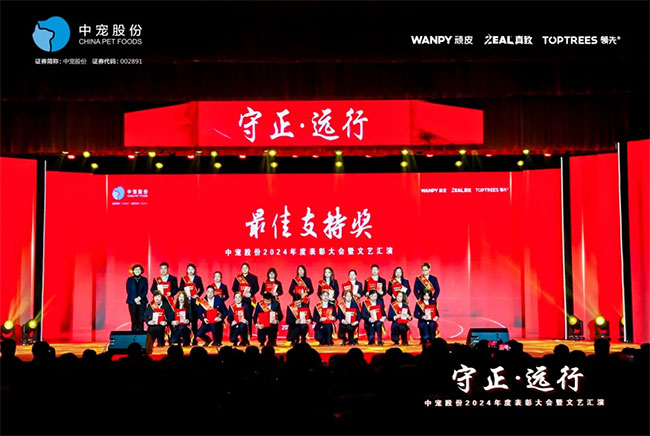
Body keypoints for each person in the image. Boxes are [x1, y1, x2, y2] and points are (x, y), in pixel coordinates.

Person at [179, 264, 205, 345]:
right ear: (187, 270)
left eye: (192, 269)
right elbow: (180, 289)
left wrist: (197, 295)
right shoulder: (183, 279)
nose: (190, 271)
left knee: (194, 321)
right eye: (189, 269)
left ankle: (194, 339)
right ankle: (186, 339)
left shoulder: (198, 278)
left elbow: (202, 289)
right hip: (186, 302)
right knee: (185, 320)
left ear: (195, 270)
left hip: (194, 302)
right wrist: (184, 295)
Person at [126, 264, 148, 331]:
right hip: (132, 301)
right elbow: (128, 290)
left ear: (141, 271)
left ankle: (141, 335)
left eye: (139, 269)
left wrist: (139, 298)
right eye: (136, 269)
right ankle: (133, 335)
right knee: (134, 319)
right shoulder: (129, 279)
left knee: (141, 319)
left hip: (142, 301)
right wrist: (135, 298)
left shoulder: (144, 279)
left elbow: (145, 290)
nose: (137, 271)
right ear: (133, 271)